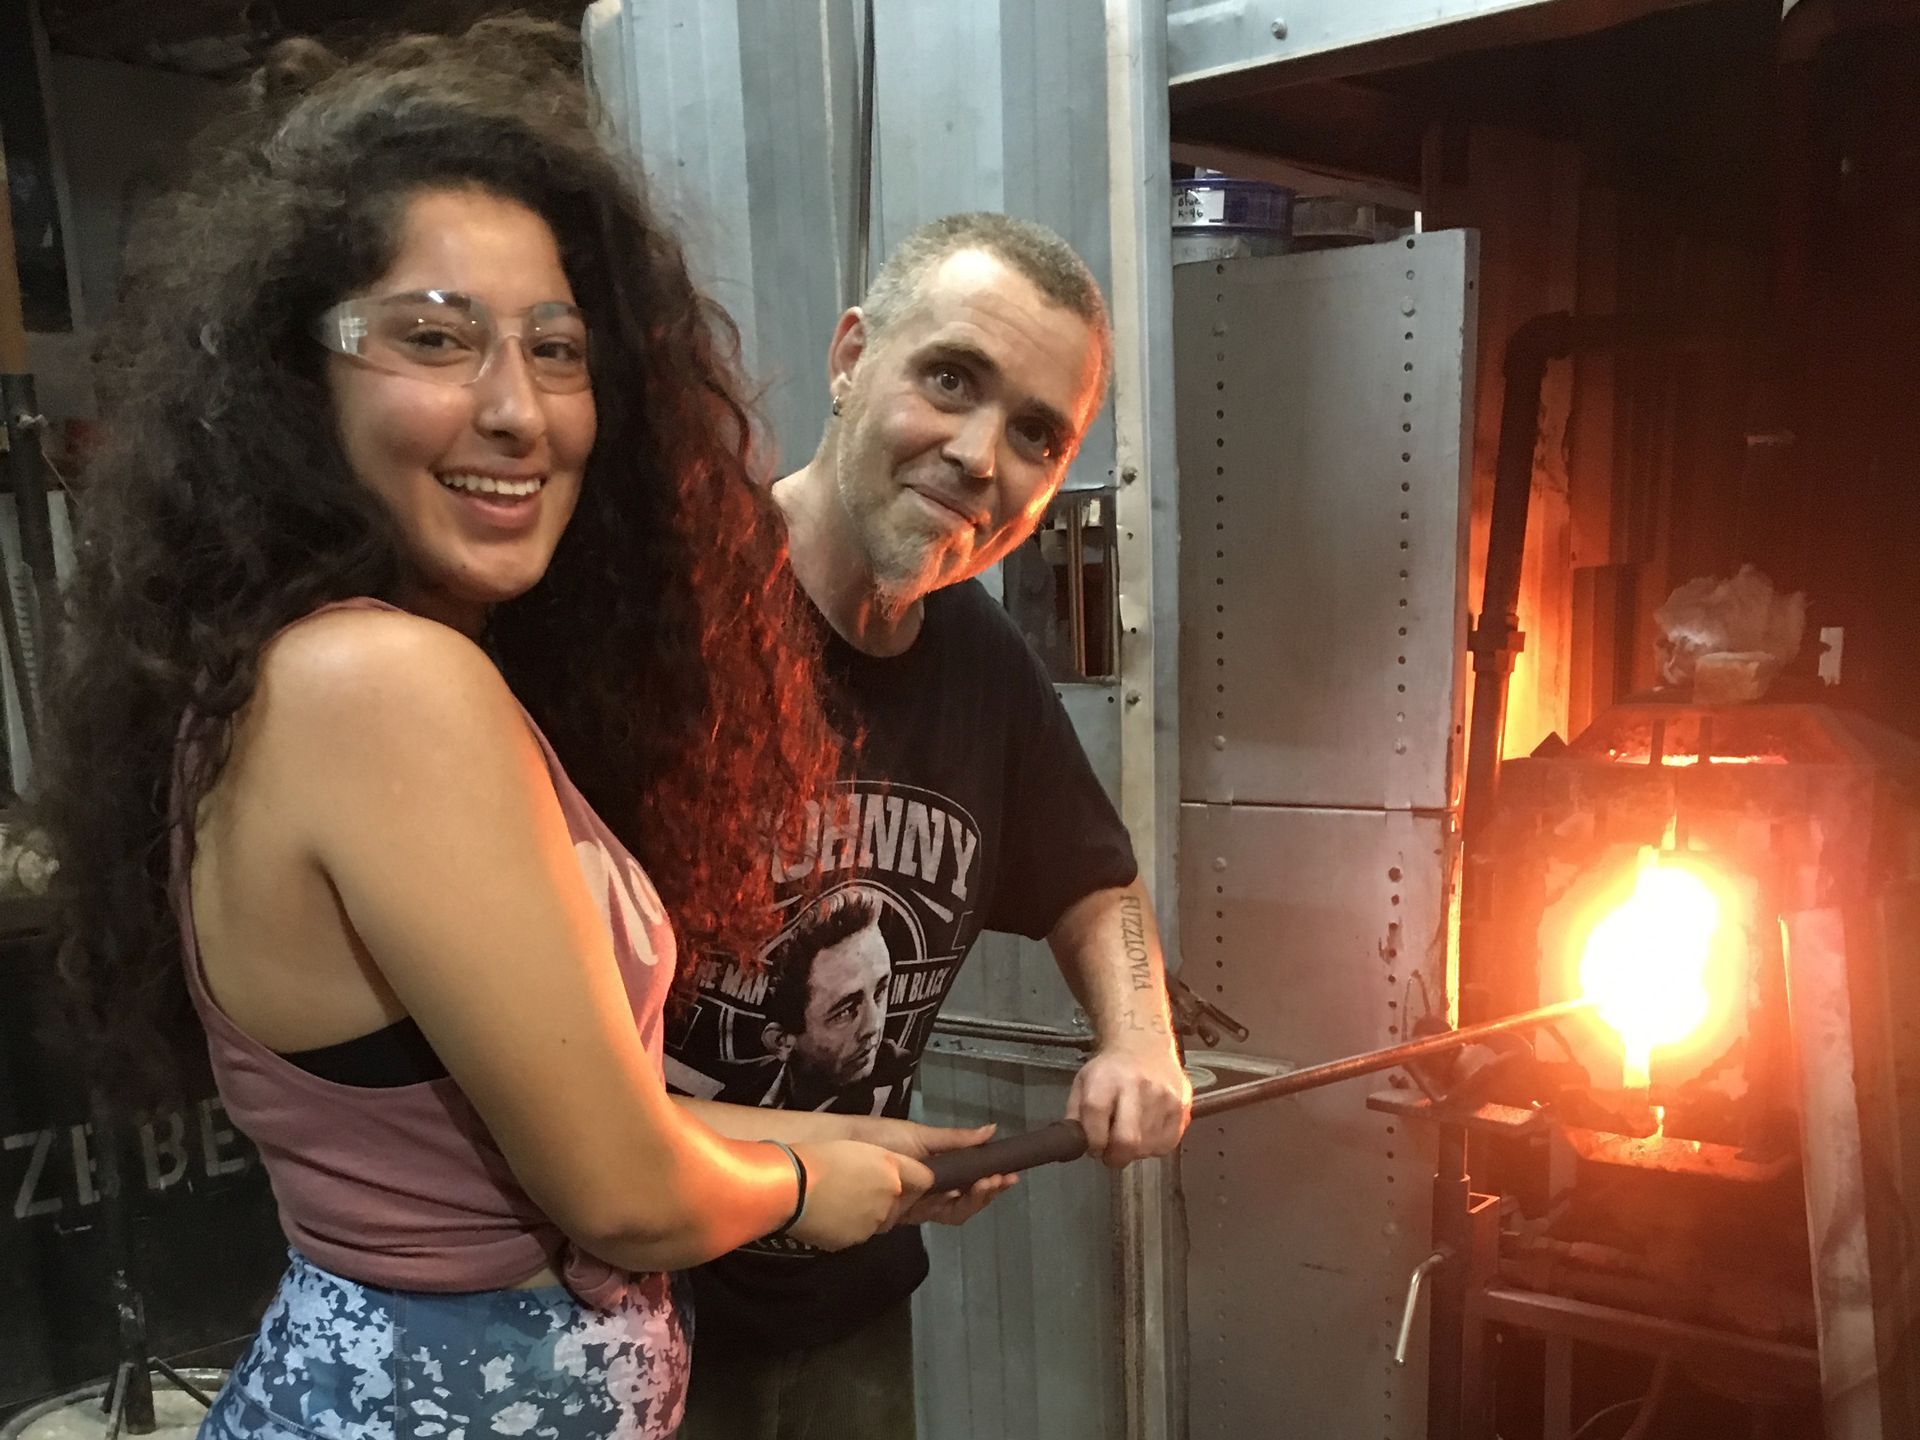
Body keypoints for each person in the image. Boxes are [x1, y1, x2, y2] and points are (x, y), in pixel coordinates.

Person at [32, 24, 981, 1440]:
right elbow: (622, 1196)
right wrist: (801, 1188)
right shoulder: (382, 686)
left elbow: (558, 1123)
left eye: (557, 350)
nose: (516, 410)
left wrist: (856, 1141)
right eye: (433, 337)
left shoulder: (329, 668)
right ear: (306, 373)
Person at [667, 212, 1194, 1436]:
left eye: (1034, 434)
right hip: (633, 1313)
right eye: (949, 379)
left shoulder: (980, 663)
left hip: (846, 1308)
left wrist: (1138, 1035)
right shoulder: (667, 619)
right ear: (853, 357)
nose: (977, 455)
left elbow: (1093, 881)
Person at [715, 887, 914, 1112]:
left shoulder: (897, 1073)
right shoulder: (737, 1088)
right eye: (845, 1011)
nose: (874, 1026)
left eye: (879, 992)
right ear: (782, 1042)